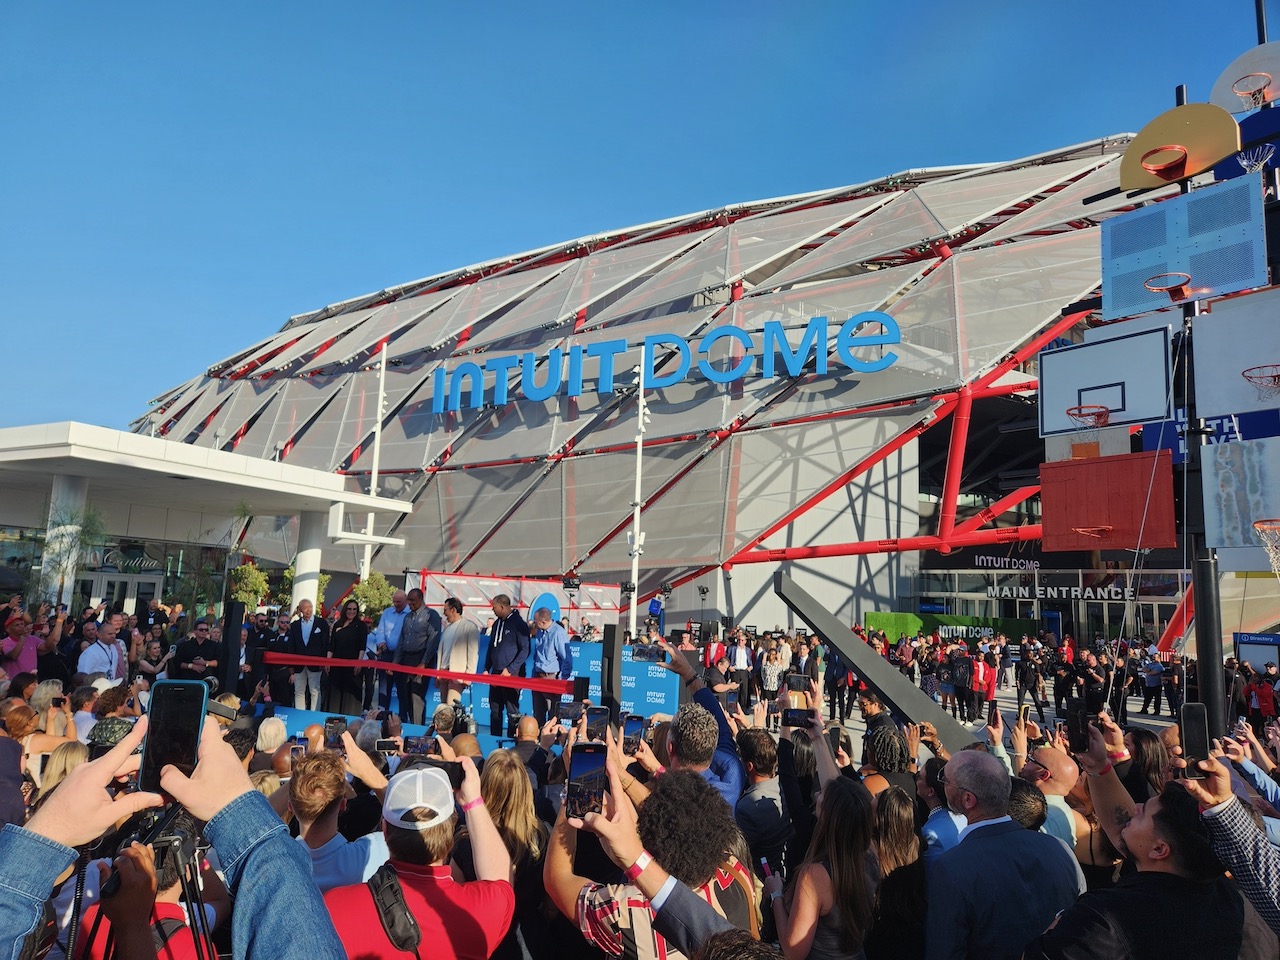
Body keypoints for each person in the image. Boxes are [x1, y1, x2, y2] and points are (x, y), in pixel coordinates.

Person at [546, 765, 756, 960]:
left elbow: (557, 880)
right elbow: (683, 815)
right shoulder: (734, 869)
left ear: (649, 841)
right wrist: (621, 774)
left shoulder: (626, 910)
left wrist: (573, 797)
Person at [324, 761, 515, 959]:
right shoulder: (483, 910)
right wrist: (473, 802)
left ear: (385, 831)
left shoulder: (333, 908)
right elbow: (501, 878)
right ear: (451, 835)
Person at [926, 750, 1082, 960]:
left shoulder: (951, 867)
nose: (943, 784)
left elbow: (945, 951)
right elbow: (1082, 922)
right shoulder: (1059, 848)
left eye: (946, 780)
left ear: (968, 799)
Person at [452, 748, 552, 960]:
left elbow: (457, 899)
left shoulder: (463, 841)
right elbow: (552, 901)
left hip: (485, 938)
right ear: (525, 788)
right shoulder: (544, 836)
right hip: (531, 939)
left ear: (484, 785)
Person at [764, 774, 877, 960]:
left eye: (822, 793)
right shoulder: (870, 857)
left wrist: (776, 894)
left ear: (828, 814)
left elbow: (793, 951)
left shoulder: (815, 875)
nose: (817, 794)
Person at [289, 749, 390, 891]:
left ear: (290, 807)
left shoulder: (275, 864)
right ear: (343, 804)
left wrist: (300, 776)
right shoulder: (369, 854)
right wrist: (370, 774)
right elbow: (411, 827)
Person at [735, 727, 793, 878]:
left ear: (749, 766)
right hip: (783, 867)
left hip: (761, 876)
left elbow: (741, 851)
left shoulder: (747, 806)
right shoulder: (784, 786)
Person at [395, 588, 442, 723]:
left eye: (413, 601)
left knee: (416, 696)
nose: (409, 603)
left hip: (421, 659)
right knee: (406, 696)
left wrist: (424, 662)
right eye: (408, 600)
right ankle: (409, 724)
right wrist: (395, 662)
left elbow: (433, 640)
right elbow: (402, 640)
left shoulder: (431, 615)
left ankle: (418, 728)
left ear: (420, 600)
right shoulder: (408, 617)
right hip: (406, 660)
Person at [486, 594, 530, 738]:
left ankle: (513, 741)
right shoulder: (496, 624)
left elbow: (525, 650)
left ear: (502, 607)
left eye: (494, 607)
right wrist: (487, 668)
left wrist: (510, 669)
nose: (493, 610)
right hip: (496, 672)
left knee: (512, 711)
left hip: (512, 674)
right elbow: (491, 647)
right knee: (495, 708)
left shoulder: (519, 624)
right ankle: (494, 739)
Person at [529, 606, 572, 725]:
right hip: (538, 675)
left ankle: (554, 736)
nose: (534, 623)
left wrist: (561, 679)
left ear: (543, 621)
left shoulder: (558, 633)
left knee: (553, 714)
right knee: (538, 712)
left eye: (536, 621)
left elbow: (567, 658)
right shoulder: (539, 632)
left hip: (551, 677)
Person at [368, 590, 410, 712]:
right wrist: (381, 642)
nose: (396, 604)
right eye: (394, 601)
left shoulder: (409, 614)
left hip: (402, 656)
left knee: (402, 688)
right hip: (386, 653)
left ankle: (403, 715)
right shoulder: (387, 612)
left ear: (405, 600)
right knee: (383, 686)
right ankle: (382, 712)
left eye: (399, 602)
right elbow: (380, 630)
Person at [328, 599, 368, 715]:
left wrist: (358, 663)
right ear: (345, 609)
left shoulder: (361, 626)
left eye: (354, 609)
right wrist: (327, 662)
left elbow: (362, 647)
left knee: (349, 696)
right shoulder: (337, 624)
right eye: (349, 609)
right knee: (335, 695)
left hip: (352, 666)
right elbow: (331, 646)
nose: (351, 611)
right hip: (336, 665)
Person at [288, 600, 330, 710]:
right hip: (298, 664)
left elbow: (325, 644)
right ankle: (300, 714)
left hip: (315, 663)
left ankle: (314, 715)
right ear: (300, 609)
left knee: (315, 691)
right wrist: (291, 666)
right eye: (305, 608)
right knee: (299, 691)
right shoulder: (295, 625)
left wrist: (323, 662)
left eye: (310, 607)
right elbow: (291, 645)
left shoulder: (321, 623)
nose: (308, 610)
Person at [438, 597, 479, 705]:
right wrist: (438, 673)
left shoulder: (470, 627)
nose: (444, 613)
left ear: (453, 610)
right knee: (443, 707)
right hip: (443, 672)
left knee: (451, 706)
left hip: (457, 674)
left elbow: (473, 653)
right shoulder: (447, 628)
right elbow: (442, 652)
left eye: (445, 610)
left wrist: (469, 676)